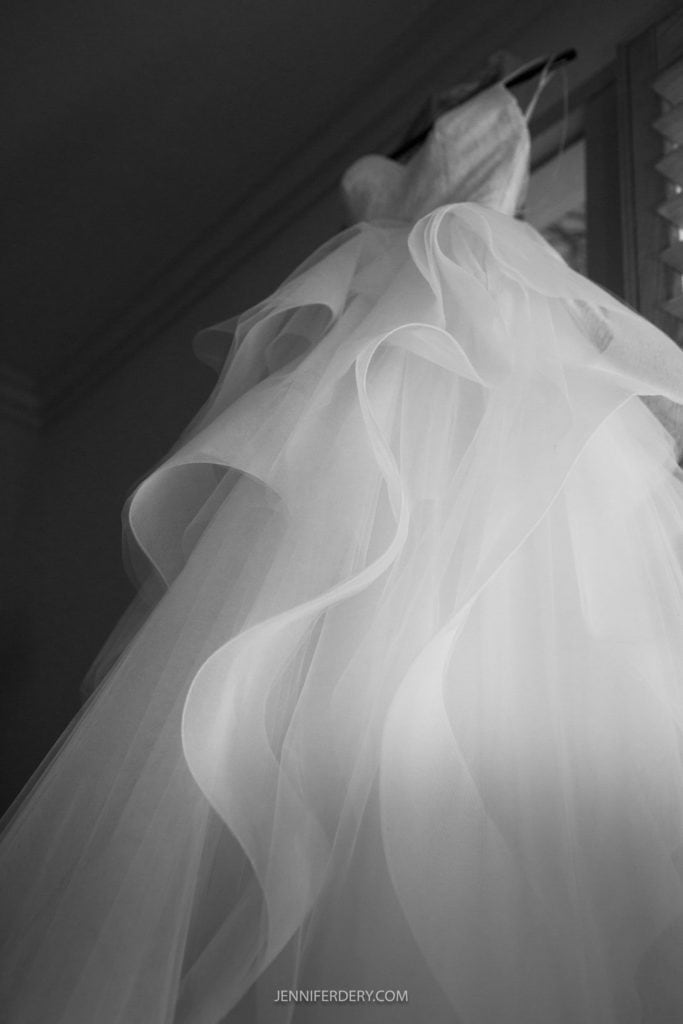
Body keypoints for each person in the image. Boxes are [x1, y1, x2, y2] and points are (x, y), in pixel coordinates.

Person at [2, 55, 683, 1024]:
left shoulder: (518, 91)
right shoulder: (420, 148)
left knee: (463, 638)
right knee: (309, 665)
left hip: (454, 337)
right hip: (366, 370)